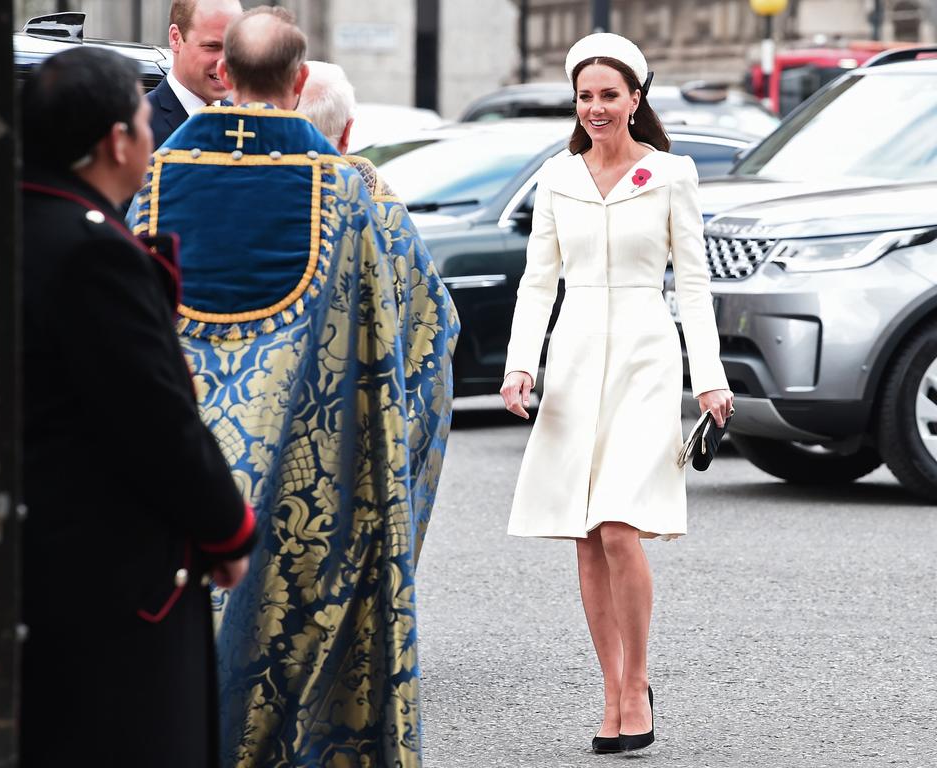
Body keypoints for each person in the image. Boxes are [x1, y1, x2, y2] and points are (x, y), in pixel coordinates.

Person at [129, 8, 458, 766]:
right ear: (300, 80)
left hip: (184, 485)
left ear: (224, 74)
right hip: (314, 490)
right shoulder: (353, 194)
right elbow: (427, 331)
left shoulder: (151, 183)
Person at [20, 47, 256, 768]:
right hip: (108, 568)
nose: (152, 138)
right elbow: (154, 415)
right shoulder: (95, 249)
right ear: (117, 141)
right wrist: (227, 531)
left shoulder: (13, 218)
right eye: (142, 122)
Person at [499, 33, 733, 754]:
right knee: (584, 532)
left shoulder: (672, 174)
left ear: (636, 99)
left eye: (609, 95)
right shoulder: (557, 177)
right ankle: (610, 689)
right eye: (585, 96)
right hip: (571, 362)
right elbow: (539, 282)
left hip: (645, 359)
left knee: (620, 526)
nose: (595, 108)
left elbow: (692, 285)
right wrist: (521, 365)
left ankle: (638, 683)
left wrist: (710, 377)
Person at [297, 59, 458, 562]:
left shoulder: (248, 200)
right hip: (370, 443)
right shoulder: (382, 210)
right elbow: (434, 332)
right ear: (347, 133)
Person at [147, 0, 243, 147]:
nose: (226, 61)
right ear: (176, 38)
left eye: (234, 46)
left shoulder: (248, 124)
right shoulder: (137, 124)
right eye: (212, 46)